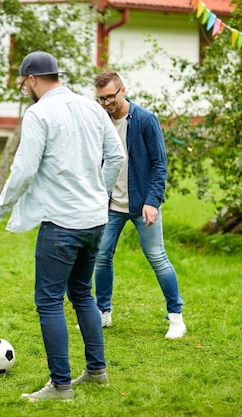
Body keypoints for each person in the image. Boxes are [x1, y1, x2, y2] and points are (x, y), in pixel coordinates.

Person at [0, 51, 126, 402]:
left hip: (62, 223)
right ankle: (97, 371)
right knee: (82, 294)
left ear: (32, 79)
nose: (24, 90)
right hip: (95, 219)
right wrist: (99, 192)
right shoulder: (92, 106)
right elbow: (118, 156)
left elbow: (24, 170)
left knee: (48, 302)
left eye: (23, 84)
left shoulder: (39, 113)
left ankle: (60, 386)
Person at [92, 70, 187, 339]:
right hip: (111, 204)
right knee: (101, 256)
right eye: (101, 99)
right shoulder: (102, 120)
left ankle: (176, 317)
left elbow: (160, 164)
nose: (106, 103)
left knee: (157, 257)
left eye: (110, 97)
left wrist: (152, 201)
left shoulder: (145, 120)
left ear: (123, 90)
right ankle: (103, 312)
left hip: (143, 204)